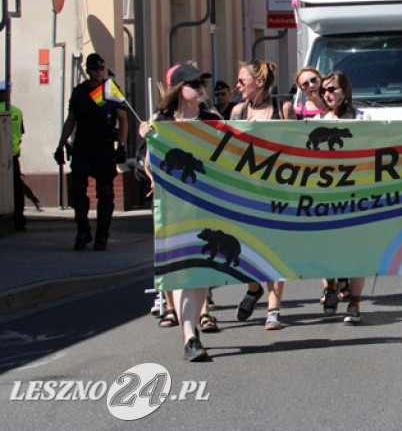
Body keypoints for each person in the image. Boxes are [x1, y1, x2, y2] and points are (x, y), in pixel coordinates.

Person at [140, 63, 221, 361]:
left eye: (202, 84)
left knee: (200, 273)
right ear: (178, 90)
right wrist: (149, 138)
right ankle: (190, 337)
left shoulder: (211, 118)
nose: (200, 89)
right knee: (183, 271)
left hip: (209, 206)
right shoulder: (161, 121)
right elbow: (149, 166)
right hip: (176, 209)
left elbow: (229, 144)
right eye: (193, 85)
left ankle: (196, 325)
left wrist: (208, 104)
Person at [232, 60, 293, 329]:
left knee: (274, 252)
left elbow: (296, 148)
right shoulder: (237, 111)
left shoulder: (283, 109)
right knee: (242, 251)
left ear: (258, 82)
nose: (237, 86)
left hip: (276, 192)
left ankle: (273, 310)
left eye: (241, 81)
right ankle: (254, 288)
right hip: (245, 193)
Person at [54, 53, 130, 251]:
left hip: (104, 146)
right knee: (77, 190)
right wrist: (61, 145)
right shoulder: (79, 92)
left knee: (105, 192)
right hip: (82, 146)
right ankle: (83, 231)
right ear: (87, 70)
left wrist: (121, 146)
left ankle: (102, 236)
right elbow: (71, 120)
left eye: (101, 69)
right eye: (95, 69)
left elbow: (122, 119)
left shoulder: (110, 89)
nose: (98, 73)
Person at [317, 70, 367, 323]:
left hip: (357, 194)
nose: (328, 94)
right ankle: (331, 286)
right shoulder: (318, 120)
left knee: (358, 249)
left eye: (332, 89)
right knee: (326, 246)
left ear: (345, 91)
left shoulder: (362, 118)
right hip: (326, 195)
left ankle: (355, 302)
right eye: (324, 90)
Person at [1, 82, 26, 231]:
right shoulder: (17, 111)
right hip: (14, 154)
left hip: (2, 155)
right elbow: (21, 132)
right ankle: (19, 219)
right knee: (17, 188)